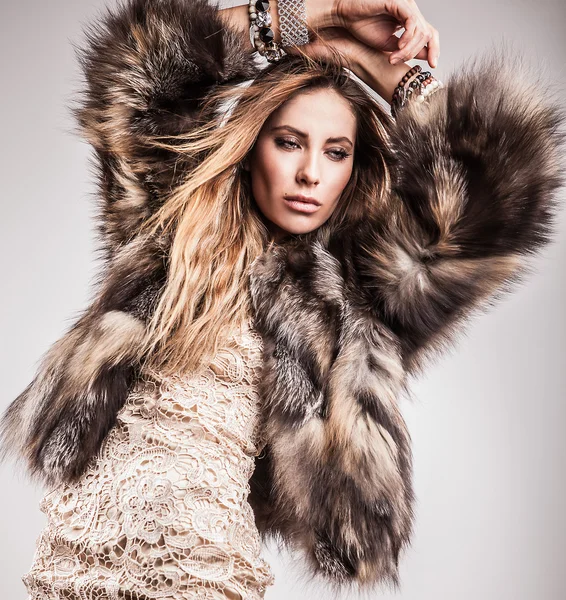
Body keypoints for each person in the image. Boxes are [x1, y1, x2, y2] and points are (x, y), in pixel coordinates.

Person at [1, 0, 563, 598]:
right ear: (252, 146)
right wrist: (319, 19)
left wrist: (392, 72)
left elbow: (501, 187)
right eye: (290, 142)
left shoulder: (356, 296)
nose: (310, 174)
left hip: (202, 571)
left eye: (336, 152)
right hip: (73, 563)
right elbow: (139, 67)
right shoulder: (171, 229)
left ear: (354, 165)